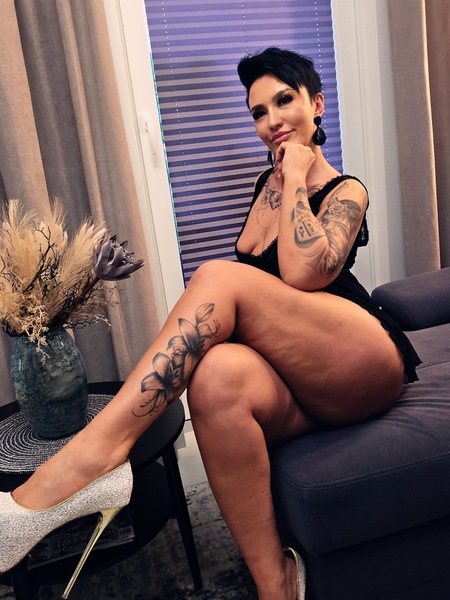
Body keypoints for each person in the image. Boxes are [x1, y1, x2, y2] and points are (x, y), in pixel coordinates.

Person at [0, 47, 420, 600]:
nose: (272, 120)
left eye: (285, 101)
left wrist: (297, 174)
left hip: (360, 354)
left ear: (317, 105)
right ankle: (277, 585)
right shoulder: (263, 187)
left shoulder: (347, 190)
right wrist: (281, 181)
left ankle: (92, 457)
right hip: (300, 378)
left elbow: (304, 273)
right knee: (216, 375)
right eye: (258, 112)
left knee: (218, 275)